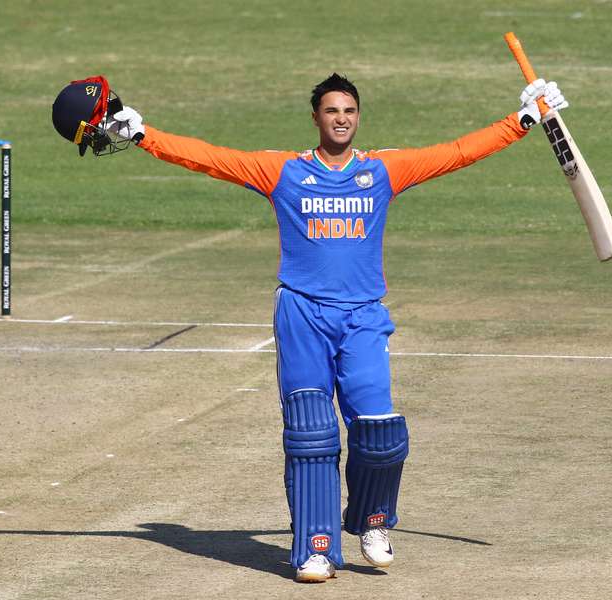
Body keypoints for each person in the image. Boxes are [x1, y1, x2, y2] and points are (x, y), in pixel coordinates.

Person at [52, 73, 568, 582]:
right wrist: (143, 135)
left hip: (364, 316)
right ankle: (315, 549)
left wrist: (522, 120)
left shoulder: (384, 170)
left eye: (349, 111)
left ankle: (370, 523)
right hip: (302, 314)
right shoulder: (284, 172)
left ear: (357, 117)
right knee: (311, 435)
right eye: (331, 111)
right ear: (316, 118)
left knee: (381, 431)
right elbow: (206, 156)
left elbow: (457, 151)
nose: (341, 119)